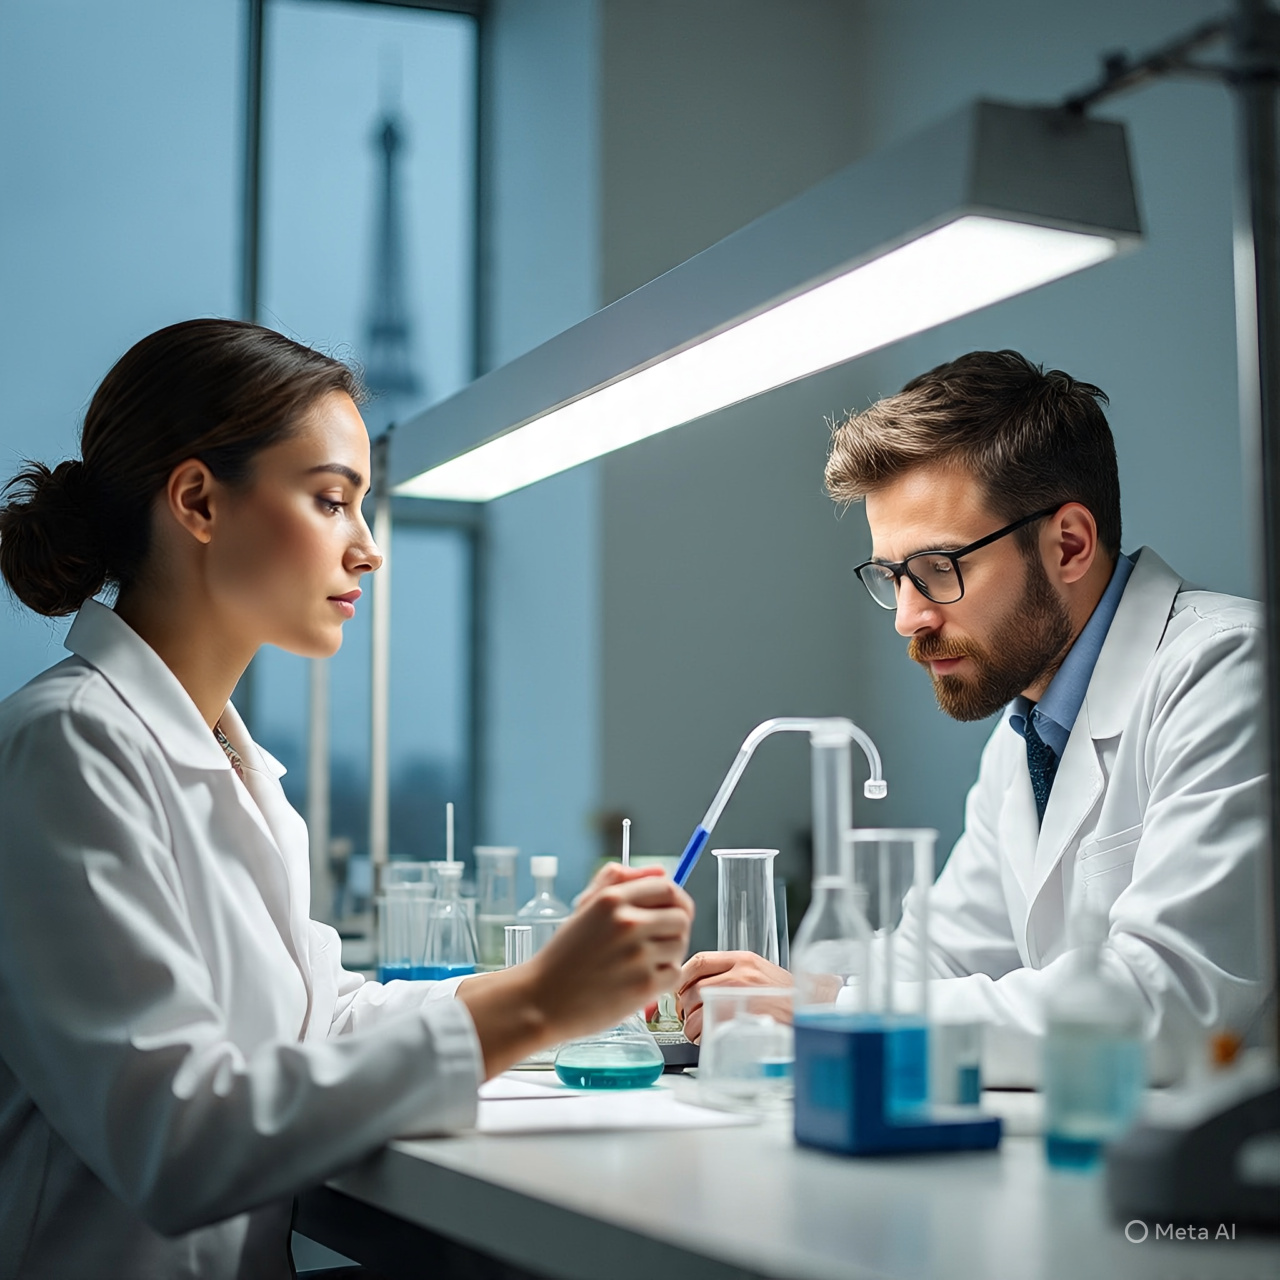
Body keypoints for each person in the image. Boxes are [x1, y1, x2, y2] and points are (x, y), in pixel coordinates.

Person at [0, 320, 694, 1280]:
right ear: (199, 501)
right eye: (332, 501)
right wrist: (533, 1005)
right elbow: (176, 1137)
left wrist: (567, 987)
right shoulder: (67, 745)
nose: (368, 550)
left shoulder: (232, 765)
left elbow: (319, 1024)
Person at [677, 350, 1267, 1080]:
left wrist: (832, 1007)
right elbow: (942, 951)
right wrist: (743, 991)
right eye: (892, 577)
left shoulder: (1230, 670)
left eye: (937, 570)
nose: (907, 618)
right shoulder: (1031, 724)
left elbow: (1167, 1001)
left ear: (1069, 545)